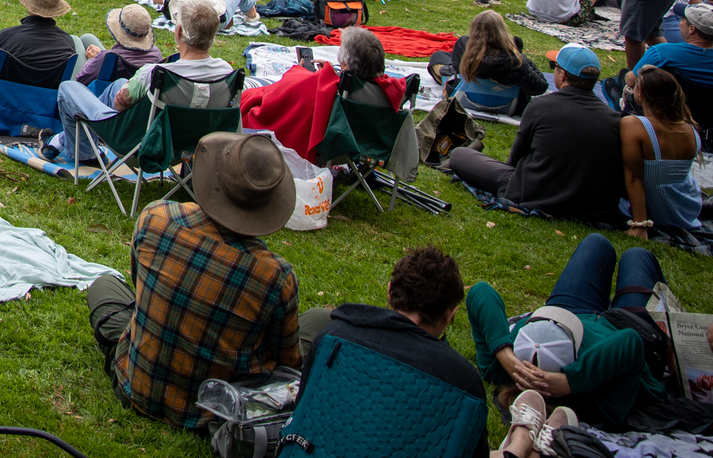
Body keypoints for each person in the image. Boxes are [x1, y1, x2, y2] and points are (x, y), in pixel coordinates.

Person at [85, 130, 302, 430]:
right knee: (319, 322)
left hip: (136, 386)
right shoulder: (276, 276)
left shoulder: (154, 217)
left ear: (213, 178)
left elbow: (139, 293)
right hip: (219, 410)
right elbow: (288, 362)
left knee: (105, 286)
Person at [465, 233, 672, 432]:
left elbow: (480, 291)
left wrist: (505, 356)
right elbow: (630, 341)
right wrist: (569, 382)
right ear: (576, 356)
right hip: (627, 324)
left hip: (567, 309)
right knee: (637, 256)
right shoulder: (598, 401)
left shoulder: (503, 369)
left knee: (596, 242)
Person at [298, 248, 487, 458]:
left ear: (389, 291)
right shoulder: (463, 379)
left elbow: (302, 410)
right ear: (449, 315)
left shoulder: (332, 335)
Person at [446, 45, 624, 224]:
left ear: (562, 75)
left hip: (534, 193)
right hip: (590, 206)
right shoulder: (614, 119)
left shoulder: (541, 107)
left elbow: (514, 160)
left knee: (460, 154)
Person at [51, 1, 233, 162]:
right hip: (193, 147)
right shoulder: (227, 74)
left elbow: (118, 106)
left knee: (69, 88)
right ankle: (63, 139)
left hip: (142, 144)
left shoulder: (156, 74)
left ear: (178, 32)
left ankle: (82, 151)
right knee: (119, 83)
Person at [620, 64, 701, 237]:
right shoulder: (691, 129)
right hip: (686, 210)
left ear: (640, 94)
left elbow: (634, 177)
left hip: (656, 211)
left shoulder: (634, 125)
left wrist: (640, 225)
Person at [428, 10, 547, 117]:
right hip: (510, 105)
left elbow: (457, 68)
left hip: (464, 98)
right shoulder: (516, 60)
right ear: (503, 31)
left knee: (439, 57)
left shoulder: (464, 45)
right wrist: (524, 60)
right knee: (443, 58)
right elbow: (540, 87)